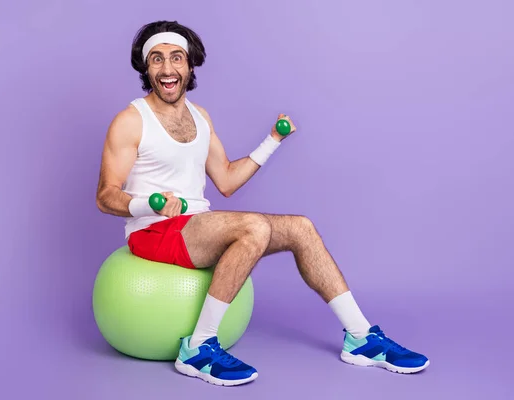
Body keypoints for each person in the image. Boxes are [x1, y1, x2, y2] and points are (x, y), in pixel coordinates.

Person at [96, 20, 429, 386]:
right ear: (147, 69)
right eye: (157, 60)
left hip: (195, 225)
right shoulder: (131, 121)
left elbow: (225, 179)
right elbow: (106, 195)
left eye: (176, 58)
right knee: (253, 226)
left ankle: (362, 338)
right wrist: (151, 203)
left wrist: (272, 140)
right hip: (153, 231)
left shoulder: (200, 118)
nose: (167, 68)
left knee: (301, 227)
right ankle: (198, 347)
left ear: (190, 66)